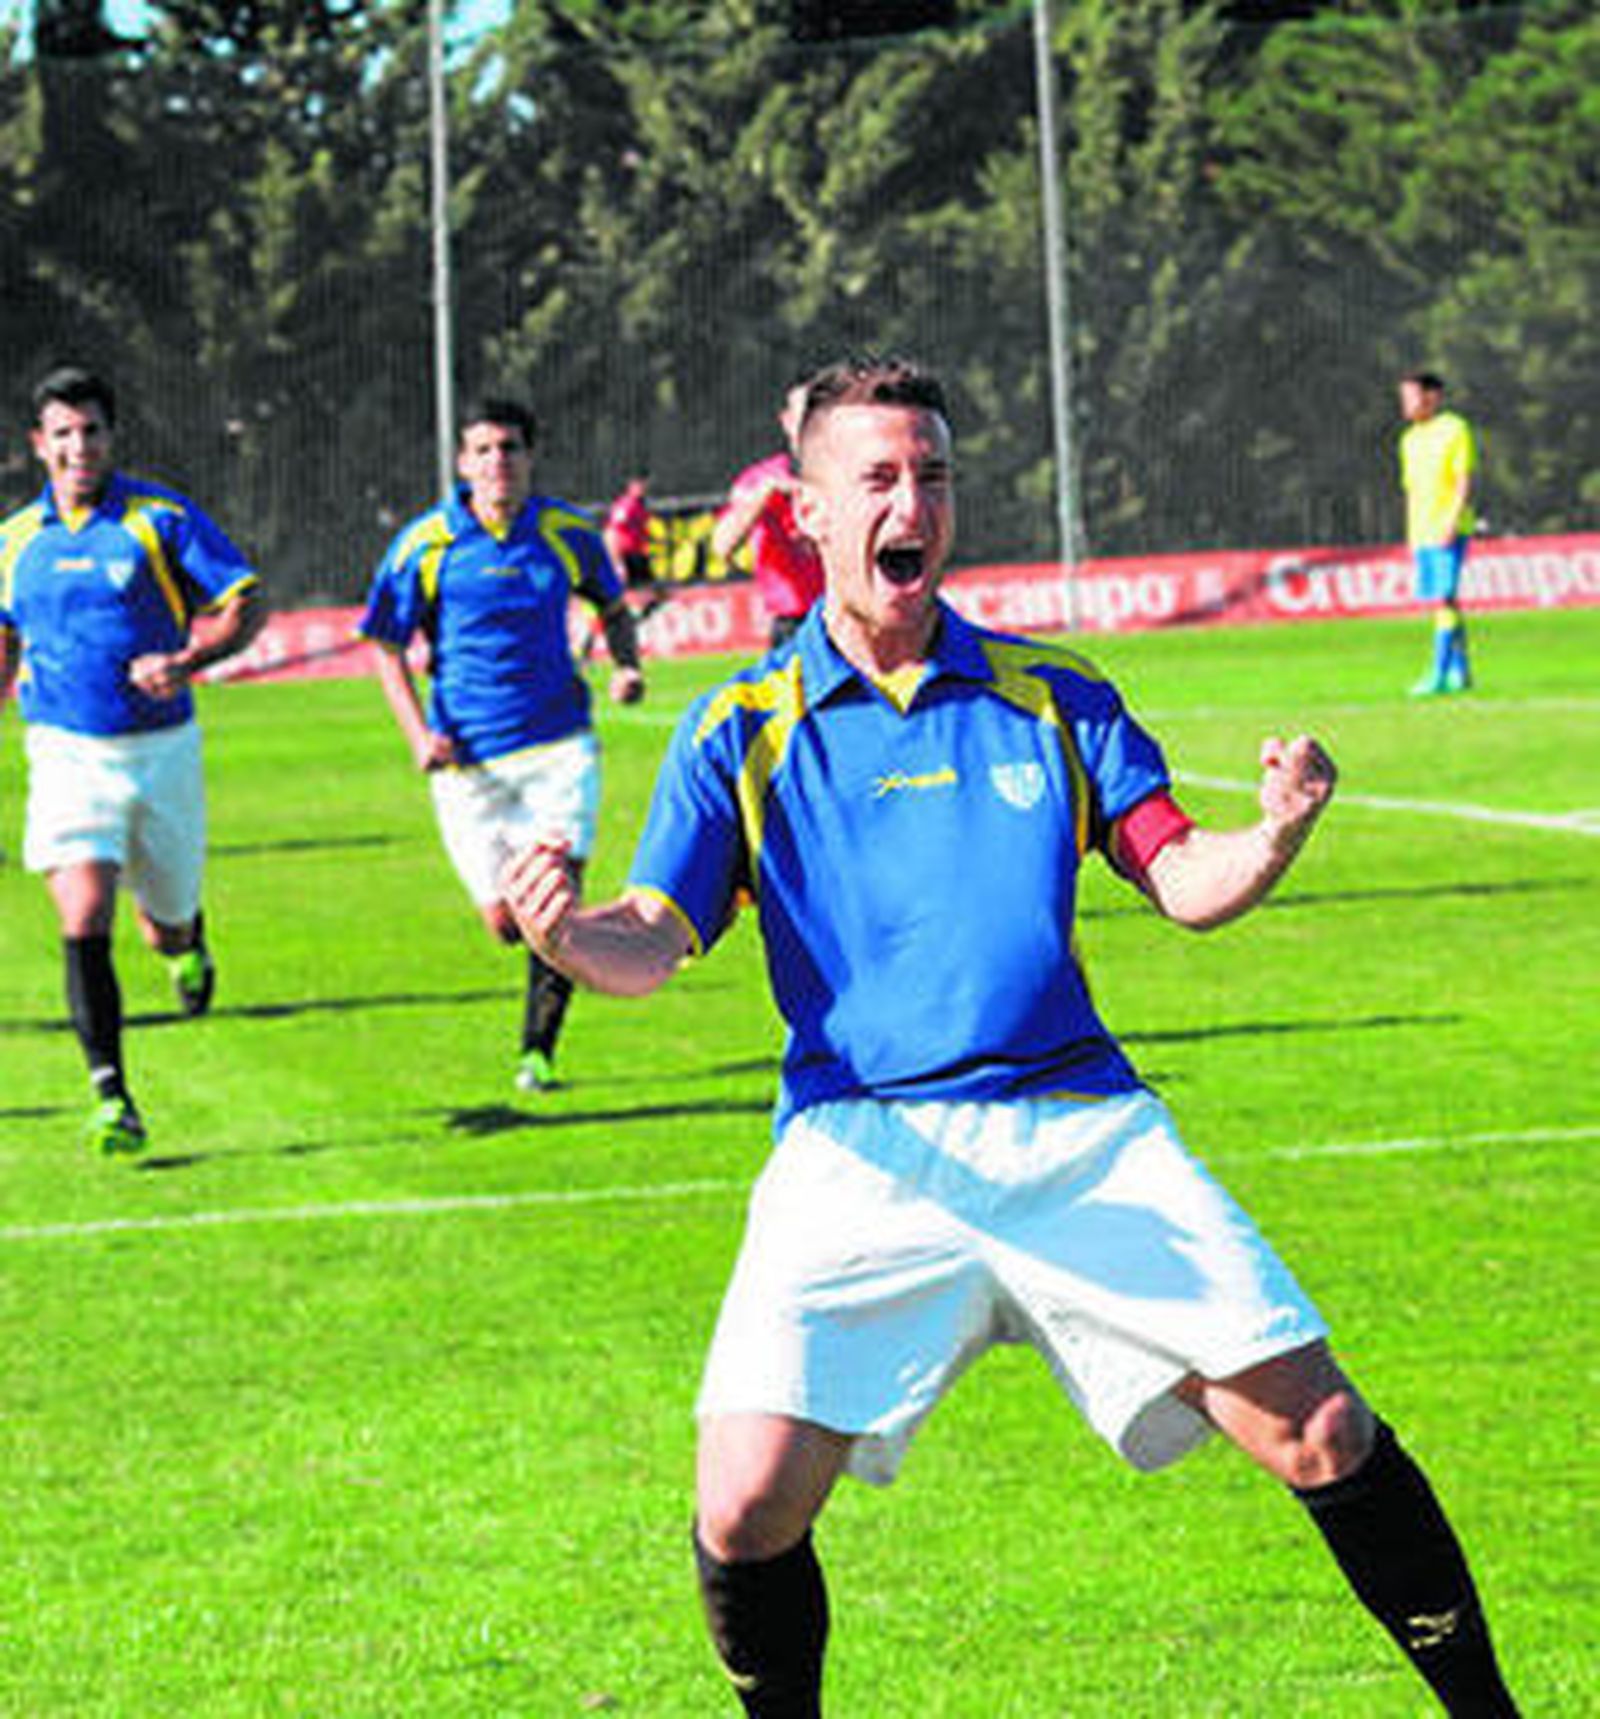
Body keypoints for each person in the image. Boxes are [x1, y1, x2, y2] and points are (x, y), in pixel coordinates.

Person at [503, 356, 1520, 1717]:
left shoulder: (1057, 692)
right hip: (860, 1146)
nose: (910, 498)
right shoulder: (738, 727)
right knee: (744, 1505)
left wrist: (1271, 834)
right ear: (806, 512)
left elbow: (1181, 876)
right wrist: (569, 938)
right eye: (876, 477)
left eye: (931, 472)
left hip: (1080, 1128)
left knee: (1322, 1425)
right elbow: (655, 932)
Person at [0, 364, 266, 1157]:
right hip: (64, 751)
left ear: (112, 438)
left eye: (92, 431)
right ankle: (110, 1091)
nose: (79, 446)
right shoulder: (14, 540)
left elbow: (246, 600)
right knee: (83, 914)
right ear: (38, 446)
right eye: (64, 433)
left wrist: (186, 659)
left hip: (162, 752)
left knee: (164, 925)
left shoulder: (160, 518)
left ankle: (190, 947)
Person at [358, 395, 644, 1095]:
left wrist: (627, 664)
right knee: (505, 921)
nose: (497, 462)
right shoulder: (427, 543)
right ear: (462, 461)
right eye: (483, 450)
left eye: (510, 448)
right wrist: (417, 733)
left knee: (552, 901)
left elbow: (611, 603)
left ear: (529, 455)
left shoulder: (565, 533)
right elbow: (386, 645)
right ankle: (555, 981)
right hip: (469, 760)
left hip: (558, 746)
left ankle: (537, 1052)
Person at [711, 376, 825, 648]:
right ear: (787, 421)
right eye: (804, 414)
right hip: (794, 624)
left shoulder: (850, 476)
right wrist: (764, 496)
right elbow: (722, 545)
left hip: (850, 620)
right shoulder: (761, 480)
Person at [1398, 371, 1480, 696]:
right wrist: (1411, 533)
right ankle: (1461, 673)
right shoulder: (1409, 439)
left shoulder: (1454, 429)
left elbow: (1463, 480)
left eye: (1411, 396)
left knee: (1444, 599)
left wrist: (1451, 521)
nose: (1405, 404)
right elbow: (1411, 491)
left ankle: (1438, 673)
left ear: (1431, 396)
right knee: (1445, 601)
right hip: (1422, 531)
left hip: (1448, 529)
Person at [603, 473, 667, 621]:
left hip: (637, 554)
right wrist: (617, 560)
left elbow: (638, 532)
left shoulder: (639, 506)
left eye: (644, 484)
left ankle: (641, 615)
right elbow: (612, 532)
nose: (643, 488)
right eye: (639, 484)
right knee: (632, 589)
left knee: (656, 592)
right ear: (630, 486)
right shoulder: (627, 505)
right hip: (627, 555)